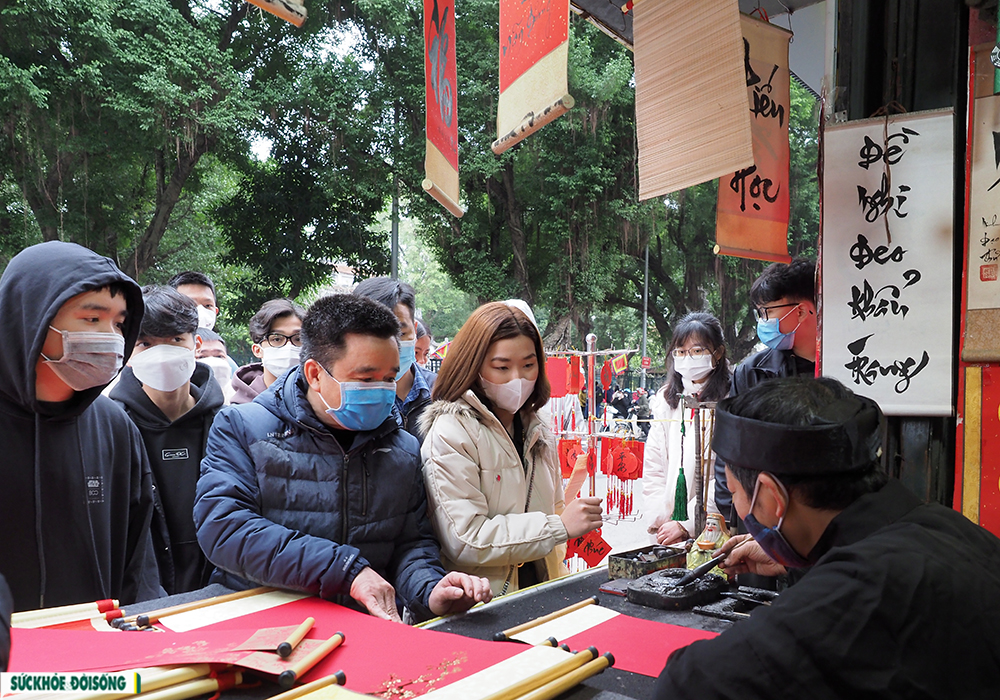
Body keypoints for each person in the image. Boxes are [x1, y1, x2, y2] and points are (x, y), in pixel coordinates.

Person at [654, 377, 1000, 698]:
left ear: (772, 497)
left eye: (733, 491)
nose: (737, 507)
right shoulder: (945, 526)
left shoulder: (858, 591)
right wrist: (797, 563)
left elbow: (686, 684)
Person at [194, 294, 490, 622]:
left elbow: (411, 545)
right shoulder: (244, 428)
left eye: (390, 378)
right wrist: (345, 569)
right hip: (261, 628)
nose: (381, 389)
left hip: (359, 632)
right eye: (365, 378)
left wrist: (431, 590)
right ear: (315, 373)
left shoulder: (402, 448)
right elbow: (224, 530)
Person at [0, 241, 159, 611]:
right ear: (32, 317)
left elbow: (140, 562)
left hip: (100, 654)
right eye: (92, 319)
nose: (112, 337)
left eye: (119, 323)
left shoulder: (115, 425)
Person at [419, 302, 603, 595]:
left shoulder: (538, 428)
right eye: (502, 367)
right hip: (484, 602)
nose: (517, 378)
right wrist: (558, 527)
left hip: (542, 595)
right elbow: (466, 539)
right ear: (473, 364)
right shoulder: (451, 433)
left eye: (528, 365)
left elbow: (554, 510)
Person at [110, 286, 224, 594]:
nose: (161, 355)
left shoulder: (228, 424)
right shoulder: (111, 430)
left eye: (175, 340)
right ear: (126, 349)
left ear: (195, 343)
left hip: (221, 596)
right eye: (146, 343)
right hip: (140, 604)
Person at [715, 258, 817, 518]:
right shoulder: (751, 372)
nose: (763, 321)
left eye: (767, 312)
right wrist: (737, 518)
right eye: (760, 313)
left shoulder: (846, 366)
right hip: (763, 519)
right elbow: (729, 452)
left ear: (802, 311)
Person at [643, 313, 730, 545]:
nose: (687, 358)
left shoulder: (730, 400)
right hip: (666, 530)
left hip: (713, 524)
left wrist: (686, 523)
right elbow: (653, 467)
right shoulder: (666, 399)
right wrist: (661, 519)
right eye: (680, 352)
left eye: (697, 351)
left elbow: (725, 476)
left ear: (718, 353)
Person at [352, 278, 437, 443]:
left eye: (400, 333)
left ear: (415, 327)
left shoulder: (441, 390)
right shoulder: (347, 398)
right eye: (376, 335)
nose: (392, 344)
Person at [230, 299, 306, 405]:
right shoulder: (239, 412)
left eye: (298, 339)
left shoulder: (323, 404)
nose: (289, 346)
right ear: (257, 350)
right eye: (277, 339)